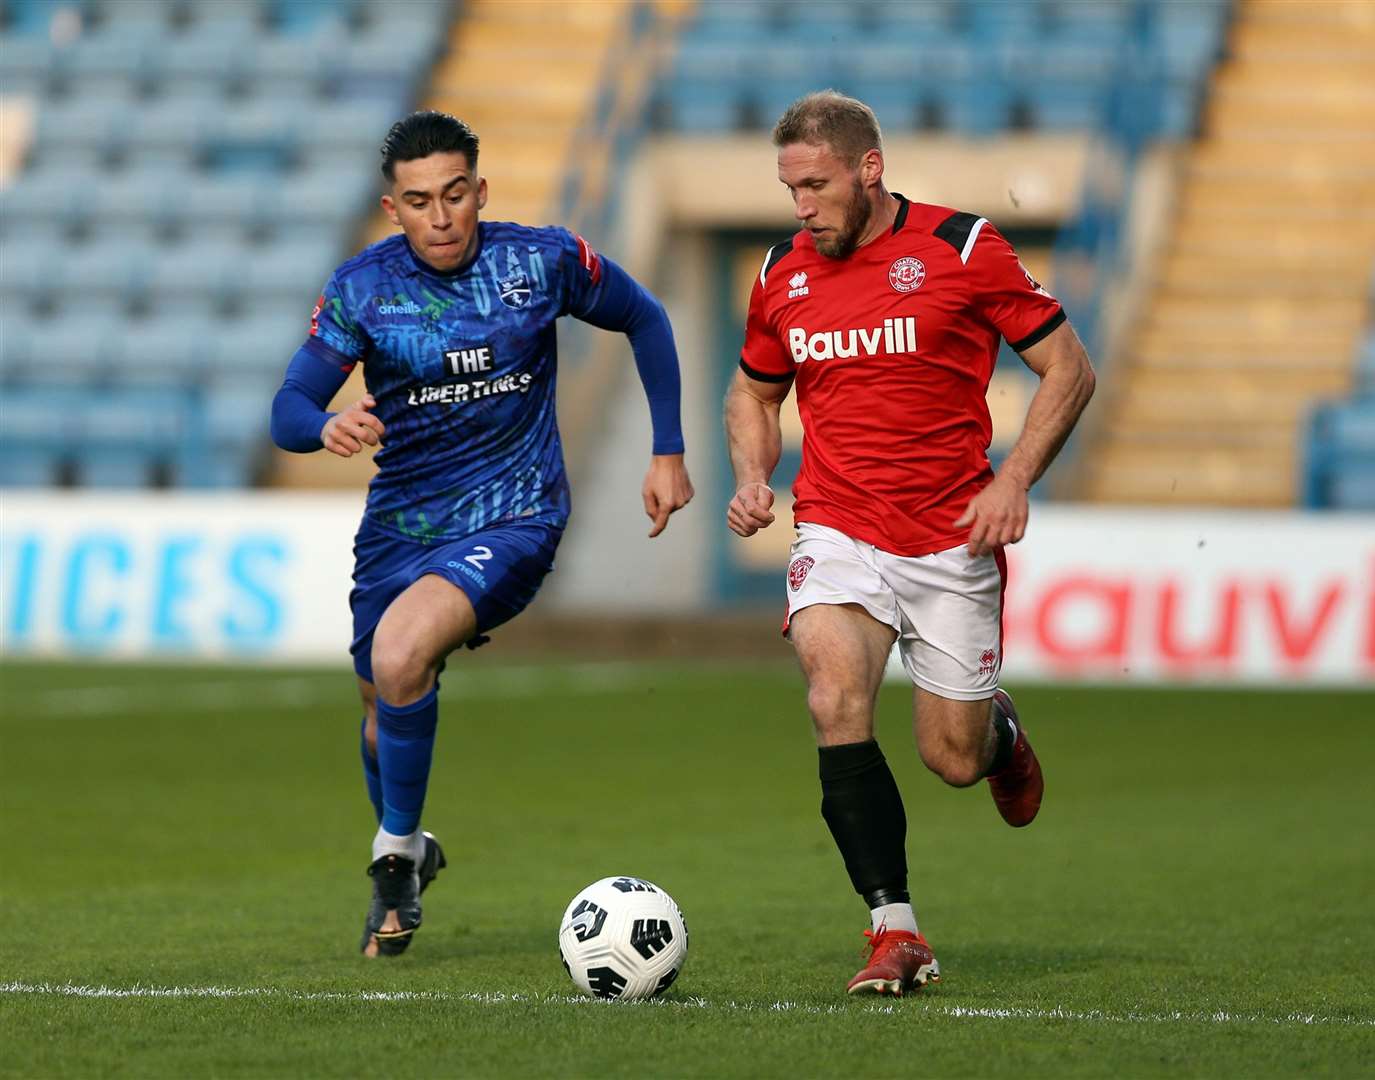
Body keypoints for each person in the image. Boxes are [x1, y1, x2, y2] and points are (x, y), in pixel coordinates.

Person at [270, 111, 693, 957]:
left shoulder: (539, 262)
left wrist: (668, 449)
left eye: (456, 195)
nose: (442, 216)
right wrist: (324, 427)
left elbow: (645, 317)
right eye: (420, 201)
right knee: (378, 704)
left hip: (516, 511)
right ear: (394, 209)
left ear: (480, 191)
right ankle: (412, 845)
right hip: (399, 527)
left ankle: (391, 864)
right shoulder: (362, 290)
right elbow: (287, 409)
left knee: (399, 656)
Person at [724, 92, 1095, 996]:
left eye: (815, 185)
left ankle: (1000, 736)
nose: (801, 207)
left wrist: (1012, 482)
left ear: (869, 168)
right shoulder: (782, 272)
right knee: (832, 699)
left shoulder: (963, 250)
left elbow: (1070, 369)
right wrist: (751, 473)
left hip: (950, 538)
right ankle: (895, 931)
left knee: (951, 759)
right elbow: (753, 392)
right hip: (838, 524)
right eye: (790, 189)